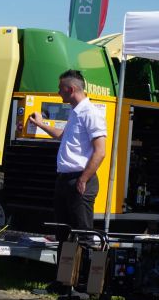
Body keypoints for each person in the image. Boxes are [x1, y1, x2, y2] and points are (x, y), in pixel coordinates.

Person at [28, 70, 107, 230]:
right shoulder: (75, 111)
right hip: (65, 179)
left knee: (82, 232)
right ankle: (66, 255)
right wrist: (41, 125)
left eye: (60, 88)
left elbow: (100, 151)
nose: (58, 92)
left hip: (80, 178)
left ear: (70, 89)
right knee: (64, 232)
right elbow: (63, 136)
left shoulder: (90, 112)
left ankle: (92, 255)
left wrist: (83, 179)